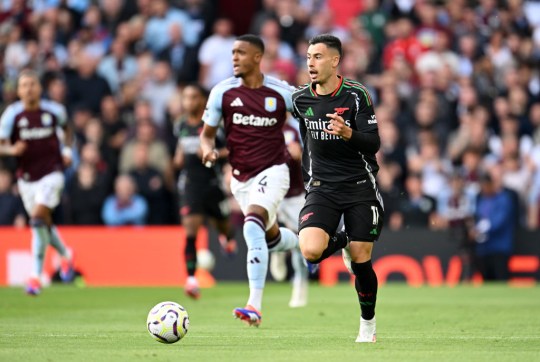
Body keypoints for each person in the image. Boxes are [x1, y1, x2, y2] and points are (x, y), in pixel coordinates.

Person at [200, 34, 307, 327]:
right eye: (233, 52)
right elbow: (207, 134)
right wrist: (208, 150)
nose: (234, 57)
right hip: (240, 179)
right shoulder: (222, 92)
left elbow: (309, 113)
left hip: (274, 171)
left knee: (251, 225)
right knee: (269, 239)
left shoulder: (280, 92)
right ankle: (305, 243)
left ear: (257, 57)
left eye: (241, 52)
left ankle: (254, 305)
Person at [291, 34, 384, 343]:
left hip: (360, 185)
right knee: (311, 250)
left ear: (334, 60)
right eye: (308, 57)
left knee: (361, 259)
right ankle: (343, 239)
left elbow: (374, 142)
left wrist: (348, 133)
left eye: (317, 57)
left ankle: (367, 326)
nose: (311, 63)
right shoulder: (300, 99)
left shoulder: (357, 95)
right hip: (321, 188)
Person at [0, 70, 75, 295]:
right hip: (26, 179)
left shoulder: (54, 111)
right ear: (19, 90)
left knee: (36, 218)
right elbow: (1, 144)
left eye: (32, 84)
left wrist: (67, 150)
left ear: (39, 88)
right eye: (24, 85)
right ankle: (66, 254)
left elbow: (67, 130)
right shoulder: (12, 115)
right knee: (41, 223)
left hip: (52, 173)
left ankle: (35, 276)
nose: (29, 88)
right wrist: (12, 149)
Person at [173, 83, 237, 299]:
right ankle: (191, 279)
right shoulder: (180, 124)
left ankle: (226, 238)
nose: (188, 102)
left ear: (203, 100)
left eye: (193, 97)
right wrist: (179, 157)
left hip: (213, 184)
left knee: (225, 227)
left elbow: (234, 148)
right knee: (190, 231)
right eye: (185, 97)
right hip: (190, 185)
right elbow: (180, 149)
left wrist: (214, 152)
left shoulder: (215, 124)